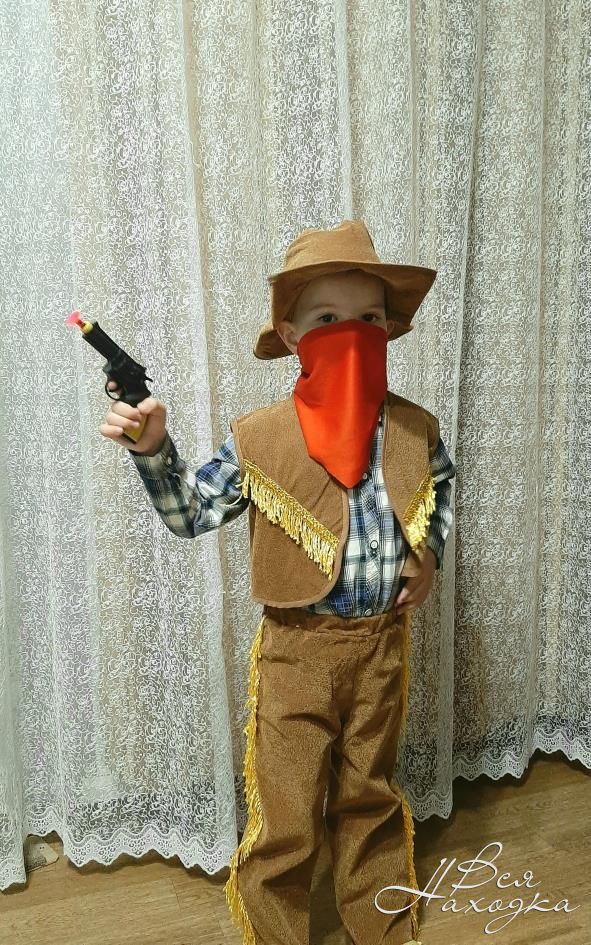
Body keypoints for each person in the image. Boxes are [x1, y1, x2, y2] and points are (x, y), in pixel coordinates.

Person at [100, 220, 457, 945]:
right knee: (287, 807)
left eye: (367, 317)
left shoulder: (416, 429)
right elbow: (192, 513)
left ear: (389, 328)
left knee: (370, 793)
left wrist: (427, 551)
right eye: (326, 319)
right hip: (296, 652)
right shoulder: (259, 437)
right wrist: (154, 448)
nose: (349, 333)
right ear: (292, 336)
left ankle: (379, 917)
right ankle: (275, 929)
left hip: (382, 648)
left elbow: (439, 489)